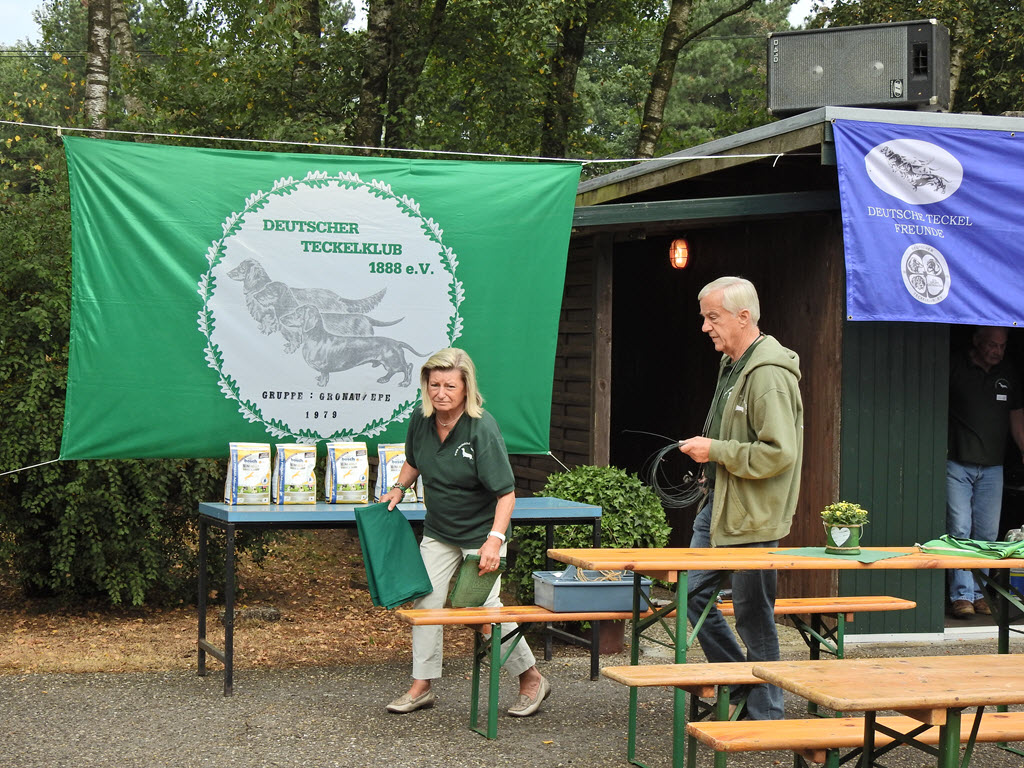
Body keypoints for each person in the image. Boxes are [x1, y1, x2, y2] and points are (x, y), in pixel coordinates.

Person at [379, 347, 550, 716]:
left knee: (482, 612)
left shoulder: (481, 428)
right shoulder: (421, 419)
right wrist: (399, 487)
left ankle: (531, 678)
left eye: (450, 386)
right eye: (434, 385)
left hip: (482, 535)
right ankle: (422, 685)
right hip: (439, 531)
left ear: (466, 388)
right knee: (426, 604)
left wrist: (494, 541)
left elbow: (506, 495)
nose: (441, 393)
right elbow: (413, 460)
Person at [678, 276, 803, 721]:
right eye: (704, 318)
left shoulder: (768, 373)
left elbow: (780, 452)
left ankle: (766, 713)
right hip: (718, 504)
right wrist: (711, 461)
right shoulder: (732, 365)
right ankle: (740, 686)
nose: (705, 327)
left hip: (753, 515)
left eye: (713, 317)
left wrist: (716, 451)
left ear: (743, 316)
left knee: (753, 614)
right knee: (692, 595)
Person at [946, 326, 1024, 619]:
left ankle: (980, 592)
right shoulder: (955, 366)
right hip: (957, 461)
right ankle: (962, 595)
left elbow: (1016, 415)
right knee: (960, 529)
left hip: (993, 466)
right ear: (977, 341)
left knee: (988, 534)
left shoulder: (1008, 372)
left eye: (1002, 346)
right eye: (992, 344)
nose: (997, 351)